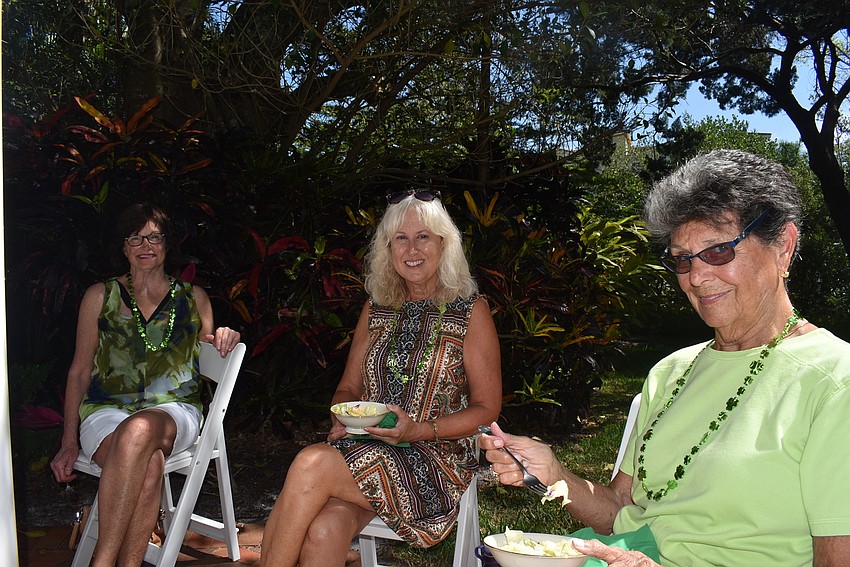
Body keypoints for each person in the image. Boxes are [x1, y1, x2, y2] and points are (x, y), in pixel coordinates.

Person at [480, 150, 850, 566]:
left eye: (718, 250)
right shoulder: (671, 372)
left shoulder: (835, 380)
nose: (696, 277)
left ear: (783, 246)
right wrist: (555, 474)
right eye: (682, 259)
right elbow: (622, 512)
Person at [259, 189, 502, 567]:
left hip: (435, 459)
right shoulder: (378, 308)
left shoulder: (470, 311)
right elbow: (348, 387)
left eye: (423, 236)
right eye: (400, 238)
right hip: (367, 447)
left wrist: (418, 430)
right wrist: (342, 416)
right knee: (325, 530)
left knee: (311, 463)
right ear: (388, 249)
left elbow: (487, 409)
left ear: (444, 243)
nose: (411, 249)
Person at [49, 202, 241, 567]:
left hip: (174, 410)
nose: (145, 245)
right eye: (135, 237)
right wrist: (68, 441)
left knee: (139, 429)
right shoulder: (99, 297)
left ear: (168, 244)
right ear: (123, 247)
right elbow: (79, 372)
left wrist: (223, 337)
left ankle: (102, 562)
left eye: (154, 237)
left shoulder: (193, 298)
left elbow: (208, 354)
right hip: (106, 411)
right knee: (149, 464)